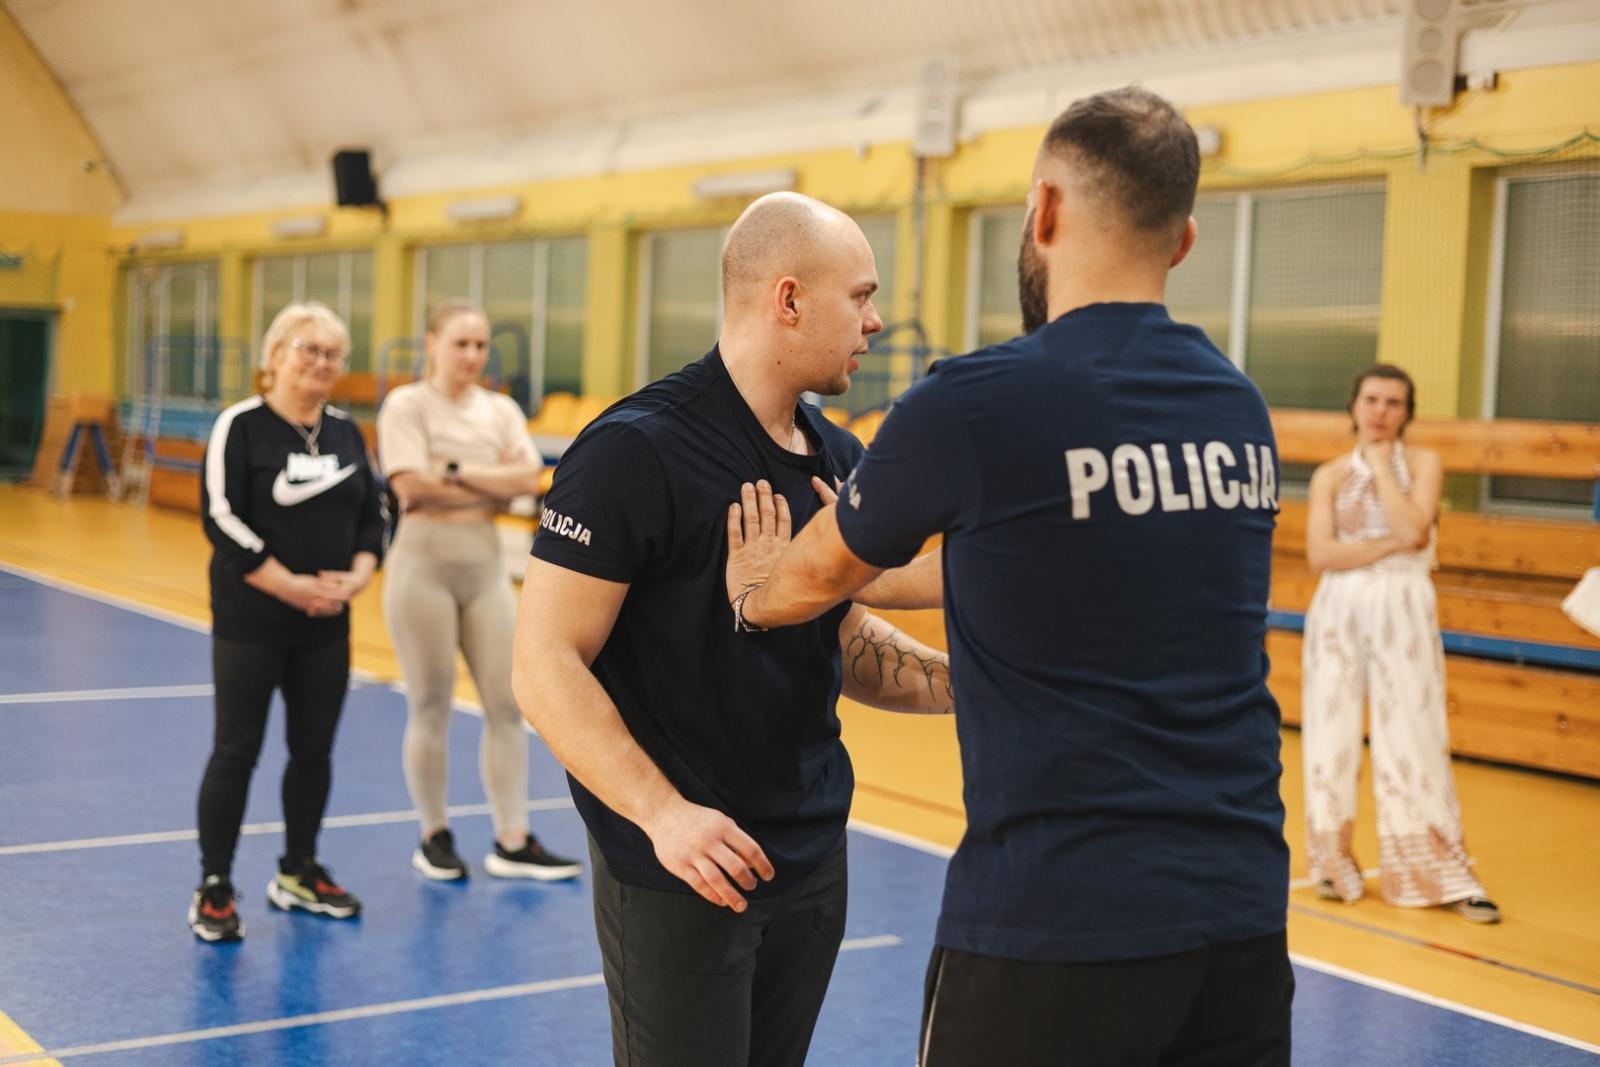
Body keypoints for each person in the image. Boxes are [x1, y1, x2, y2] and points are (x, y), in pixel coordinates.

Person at [728, 88, 1294, 1065]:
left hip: (1054, 919)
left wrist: (753, 584)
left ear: (1041, 212)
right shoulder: (1235, 406)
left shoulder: (979, 402)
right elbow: (1049, 556)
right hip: (1239, 919)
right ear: (1185, 239)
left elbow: (806, 578)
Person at [510, 192, 948, 1067]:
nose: (876, 320)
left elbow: (842, 636)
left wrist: (967, 682)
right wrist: (664, 815)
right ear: (788, 300)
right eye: (859, 297)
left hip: (812, 856)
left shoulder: (837, 459)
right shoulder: (635, 450)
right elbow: (543, 663)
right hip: (684, 869)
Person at [191, 302, 385, 942]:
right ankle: (215, 884)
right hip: (252, 620)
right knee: (236, 750)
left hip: (326, 627)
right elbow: (221, 517)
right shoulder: (240, 426)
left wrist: (357, 577)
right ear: (274, 356)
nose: (322, 363)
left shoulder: (346, 433)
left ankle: (299, 869)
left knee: (313, 752)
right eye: (309, 349)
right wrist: (287, 585)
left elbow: (376, 516)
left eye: (334, 354)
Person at [377, 300, 581, 882]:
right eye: (460, 344)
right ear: (431, 344)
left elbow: (527, 479)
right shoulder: (406, 405)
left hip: (484, 568)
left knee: (507, 704)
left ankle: (512, 838)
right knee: (431, 704)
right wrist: (482, 483)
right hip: (422, 569)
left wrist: (451, 473)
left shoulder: (500, 410)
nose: (471, 356)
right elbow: (410, 486)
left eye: (481, 345)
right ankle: (434, 834)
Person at [1302, 364, 1499, 922]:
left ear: (1407, 413)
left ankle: (1437, 875)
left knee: (1413, 732)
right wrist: (1387, 544)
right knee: (1330, 733)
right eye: (1371, 399)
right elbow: (1321, 556)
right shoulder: (1330, 475)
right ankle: (1331, 863)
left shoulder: (1422, 464)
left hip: (1404, 605)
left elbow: (1416, 532)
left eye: (1393, 402)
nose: (1380, 411)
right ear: (1354, 405)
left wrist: (1386, 471)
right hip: (1337, 608)